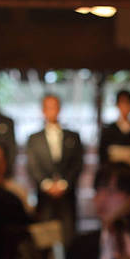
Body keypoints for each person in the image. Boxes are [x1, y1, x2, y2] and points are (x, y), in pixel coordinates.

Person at [27, 94, 83, 247]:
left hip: (67, 195)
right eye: (48, 107)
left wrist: (64, 184)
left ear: (59, 109)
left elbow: (78, 163)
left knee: (69, 239)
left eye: (54, 107)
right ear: (43, 110)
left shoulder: (73, 136)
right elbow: (32, 166)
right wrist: (46, 185)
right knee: (44, 241)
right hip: (44, 197)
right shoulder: (34, 138)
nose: (51, 110)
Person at [98, 89, 130, 170]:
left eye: (127, 103)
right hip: (113, 173)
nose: (124, 107)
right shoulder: (109, 130)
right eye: (122, 103)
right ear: (117, 105)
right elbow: (103, 155)